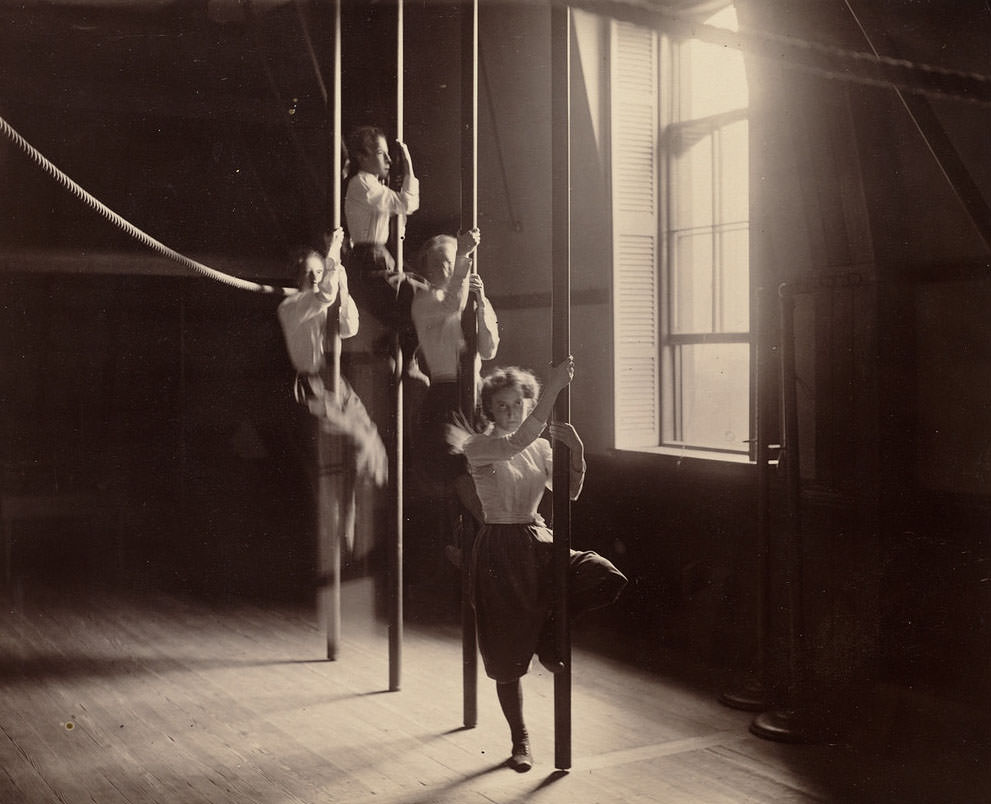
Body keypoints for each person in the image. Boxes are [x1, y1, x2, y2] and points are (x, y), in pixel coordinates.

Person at [448, 358, 628, 772]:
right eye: (501, 406)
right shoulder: (479, 446)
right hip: (499, 548)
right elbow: (515, 444)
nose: (510, 412)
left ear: (528, 406)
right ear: (489, 410)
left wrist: (577, 450)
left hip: (537, 538)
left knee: (602, 574)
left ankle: (548, 635)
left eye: (517, 404)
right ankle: (520, 739)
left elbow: (570, 493)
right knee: (506, 654)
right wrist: (554, 388)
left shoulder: (541, 446)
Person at [409, 227, 497, 564]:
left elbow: (488, 350)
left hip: (475, 395)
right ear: (426, 271)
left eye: (449, 263)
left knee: (484, 467)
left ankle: (479, 542)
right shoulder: (426, 301)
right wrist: (463, 257)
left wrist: (481, 304)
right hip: (446, 394)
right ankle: (488, 529)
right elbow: (449, 300)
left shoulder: (470, 297)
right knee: (457, 464)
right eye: (436, 265)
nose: (444, 270)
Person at [276, 227, 387, 486]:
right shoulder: (293, 306)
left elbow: (349, 327)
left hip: (334, 377)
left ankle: (364, 488)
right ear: (298, 278)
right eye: (308, 273)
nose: (315, 278)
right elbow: (325, 294)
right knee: (353, 435)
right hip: (311, 383)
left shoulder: (321, 303)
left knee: (370, 434)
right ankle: (346, 492)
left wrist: (343, 282)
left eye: (319, 272)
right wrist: (334, 250)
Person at [343, 125, 426, 383]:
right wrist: (409, 164)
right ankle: (402, 357)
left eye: (390, 155)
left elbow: (400, 216)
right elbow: (406, 203)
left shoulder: (375, 185)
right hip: (368, 261)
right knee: (423, 299)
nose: (389, 161)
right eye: (381, 154)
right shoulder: (362, 185)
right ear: (362, 157)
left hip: (381, 257)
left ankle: (389, 347)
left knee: (429, 293)